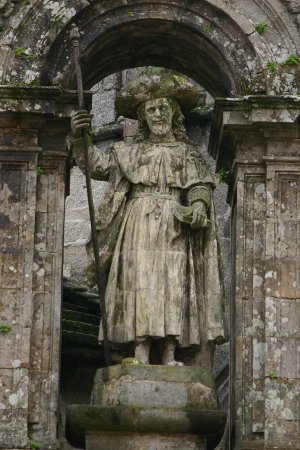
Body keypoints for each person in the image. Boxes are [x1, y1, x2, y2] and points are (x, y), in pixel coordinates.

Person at [70, 74, 225, 368]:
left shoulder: (187, 153)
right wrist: (81, 137)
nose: (157, 114)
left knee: (172, 284)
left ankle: (169, 353)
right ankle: (139, 351)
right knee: (139, 281)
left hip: (174, 223)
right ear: (142, 117)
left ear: (174, 114)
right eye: (151, 110)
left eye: (163, 108)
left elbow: (198, 185)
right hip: (138, 221)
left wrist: (199, 205)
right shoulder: (130, 152)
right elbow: (97, 165)